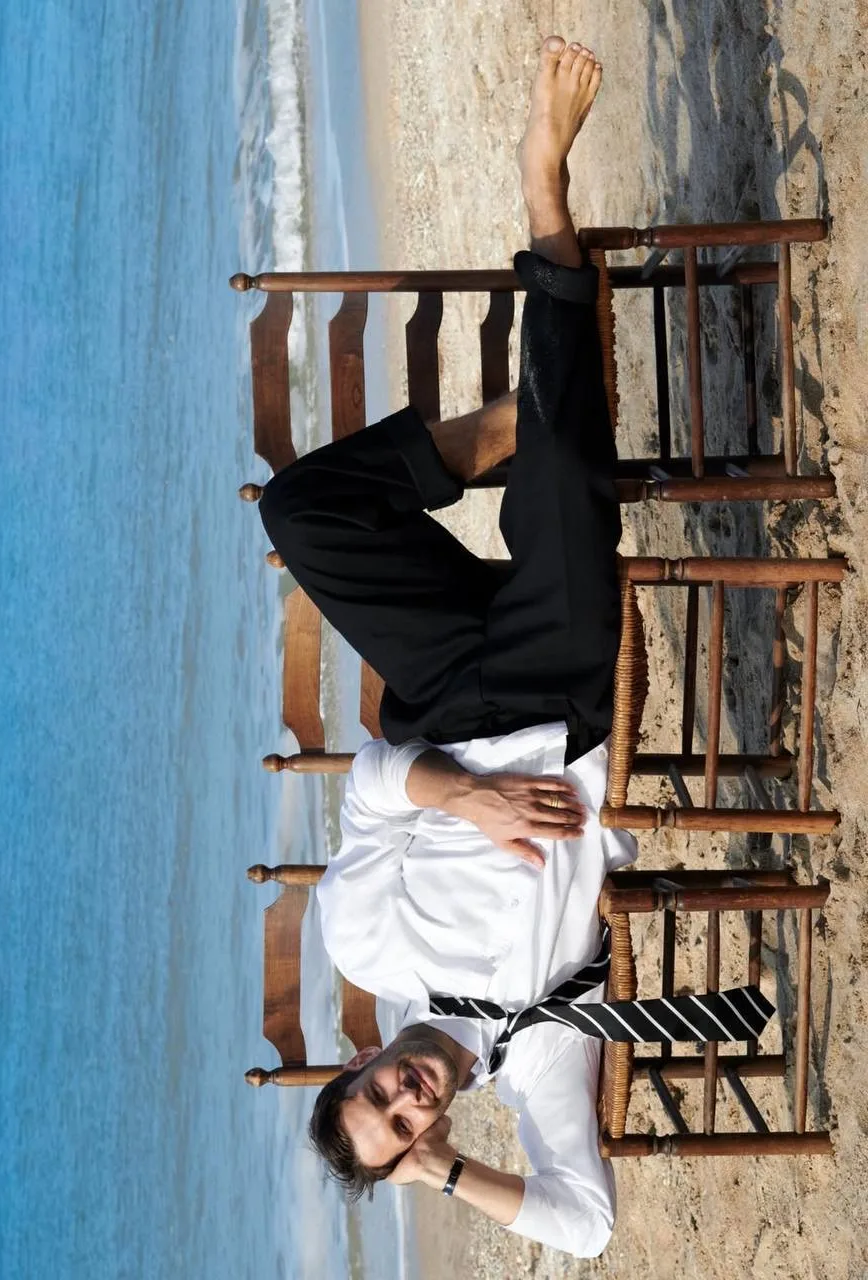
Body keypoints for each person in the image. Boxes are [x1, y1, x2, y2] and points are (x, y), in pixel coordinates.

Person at [261, 35, 630, 1259]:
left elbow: (372, 788)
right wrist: (449, 1173)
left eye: (376, 1093)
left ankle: (500, 429)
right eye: (408, 1123)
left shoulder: (366, 944)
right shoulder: (539, 1050)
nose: (406, 1096)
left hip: (439, 701)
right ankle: (544, 195)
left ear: (357, 1060)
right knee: (569, 489)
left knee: (298, 511)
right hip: (560, 699)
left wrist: (465, 798)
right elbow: (586, 1227)